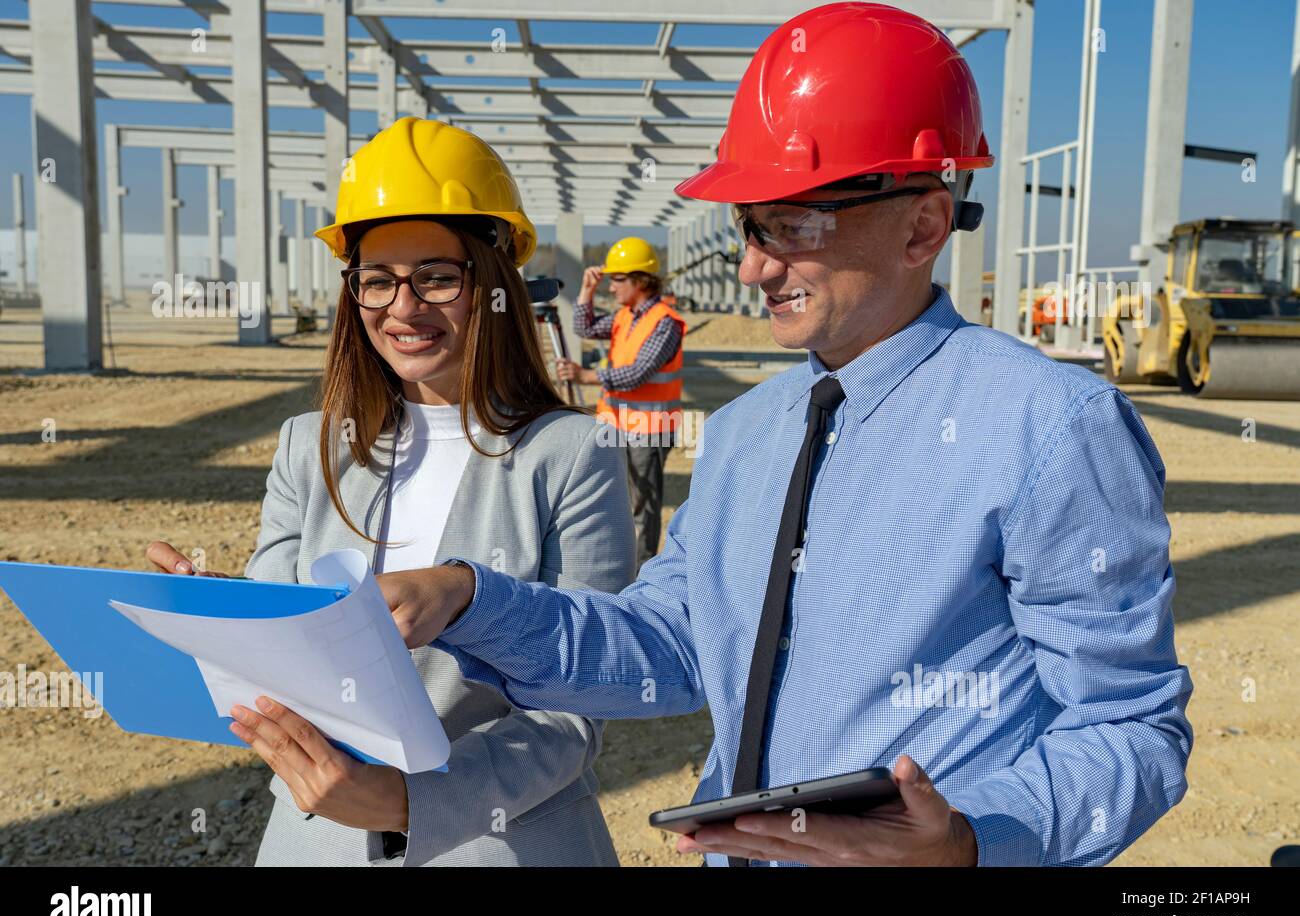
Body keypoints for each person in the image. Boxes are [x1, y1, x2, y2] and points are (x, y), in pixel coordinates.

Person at [377, 2, 1194, 868]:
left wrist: (968, 842)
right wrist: (474, 602)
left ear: (923, 225)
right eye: (749, 225)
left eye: (791, 226)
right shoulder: (744, 436)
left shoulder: (1047, 426)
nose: (755, 266)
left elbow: (1127, 727)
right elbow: (673, 644)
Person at [145, 116, 635, 867]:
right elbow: (280, 634)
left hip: (500, 839)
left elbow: (579, 700)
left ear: (494, 283)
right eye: (377, 279)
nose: (403, 308)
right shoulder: (308, 446)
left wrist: (412, 802)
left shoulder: (570, 454)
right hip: (317, 837)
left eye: (437, 276)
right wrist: (216, 619)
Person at [556, 237, 685, 567]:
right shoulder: (624, 317)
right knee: (616, 500)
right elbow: (583, 326)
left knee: (643, 506)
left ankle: (640, 576)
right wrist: (586, 289)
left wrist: (586, 376)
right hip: (616, 425)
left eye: (617, 279)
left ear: (640, 280)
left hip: (649, 429)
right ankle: (617, 563)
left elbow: (638, 373)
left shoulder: (664, 322)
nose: (610, 287)